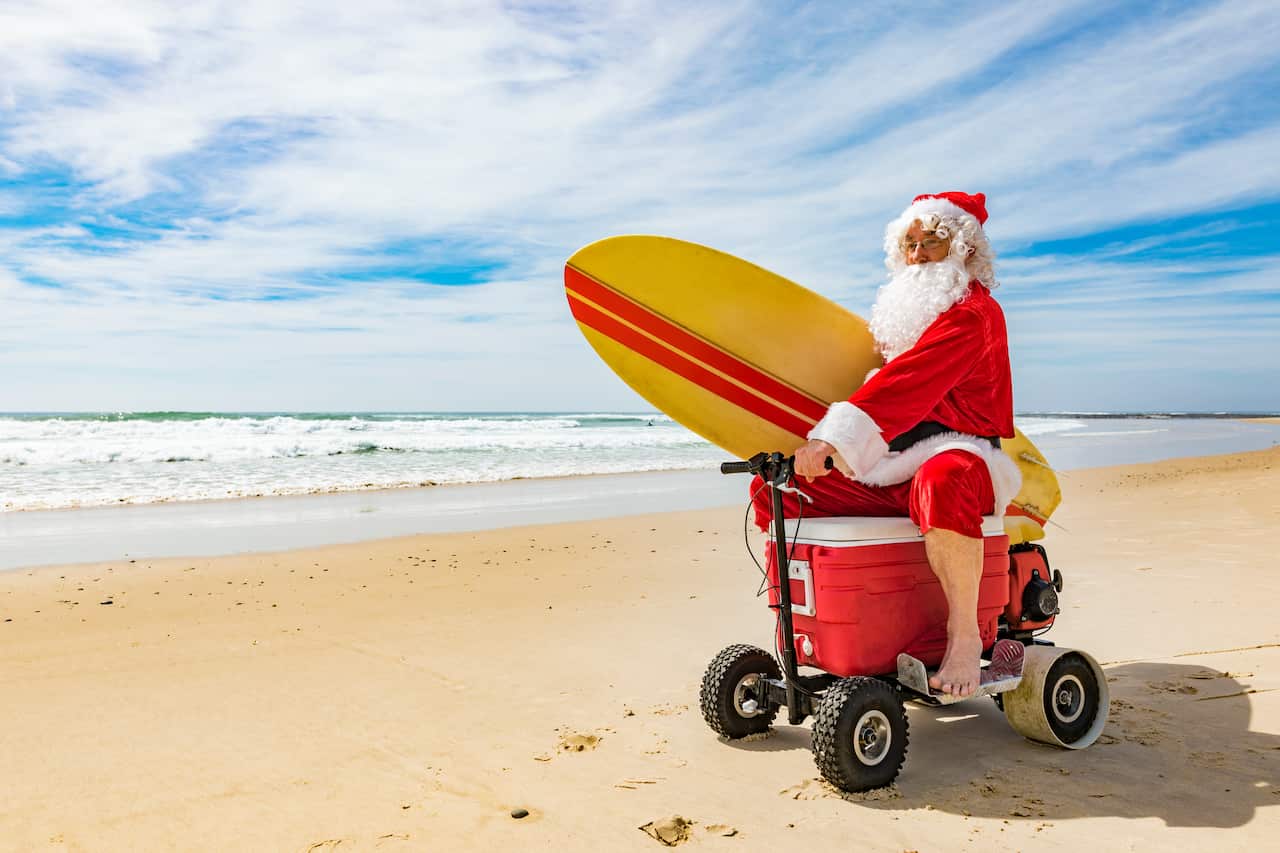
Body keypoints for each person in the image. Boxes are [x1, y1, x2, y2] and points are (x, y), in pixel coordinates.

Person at [751, 191, 1021, 698]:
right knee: (778, 490)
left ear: (963, 248)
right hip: (896, 468)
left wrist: (831, 439)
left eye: (932, 243)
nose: (917, 255)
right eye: (910, 244)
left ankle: (964, 634)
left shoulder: (975, 315)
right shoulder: (909, 322)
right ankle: (803, 631)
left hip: (960, 457)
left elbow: (907, 386)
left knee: (944, 478)